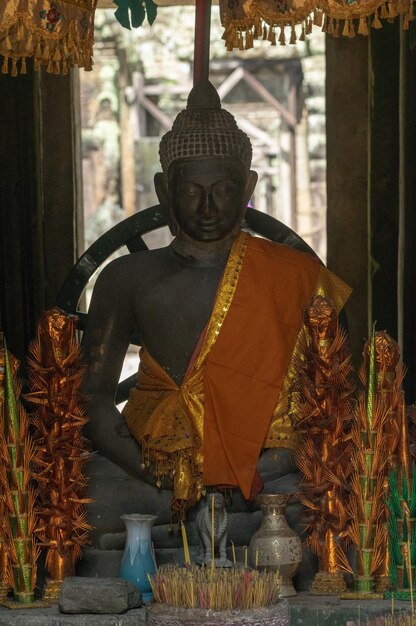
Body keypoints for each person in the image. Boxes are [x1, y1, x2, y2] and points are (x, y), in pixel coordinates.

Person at [81, 81, 351, 519]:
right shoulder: (125, 278)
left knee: (332, 503)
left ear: (247, 186)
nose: (208, 208)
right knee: (86, 503)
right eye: (190, 192)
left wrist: (244, 470)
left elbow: (330, 403)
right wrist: (164, 474)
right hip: (151, 467)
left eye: (223, 191)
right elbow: (91, 402)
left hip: (267, 472)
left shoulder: (294, 277)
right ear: (164, 192)